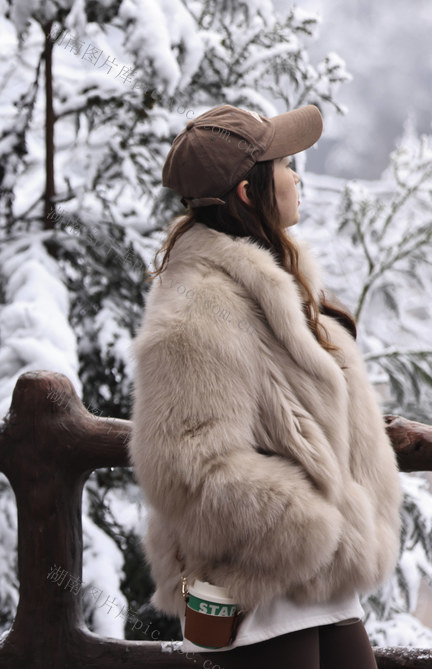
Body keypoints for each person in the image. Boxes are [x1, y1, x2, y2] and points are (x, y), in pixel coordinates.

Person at [128, 105, 401, 668]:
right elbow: (189, 466)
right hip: (260, 588)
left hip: (318, 582)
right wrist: (304, 526)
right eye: (284, 164)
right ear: (248, 193)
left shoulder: (276, 280)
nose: (297, 176)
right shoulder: (198, 307)